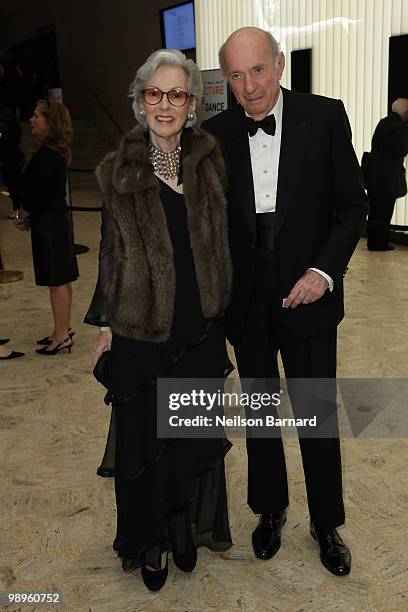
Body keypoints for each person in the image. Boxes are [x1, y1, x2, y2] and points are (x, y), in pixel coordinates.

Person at [202, 27, 368, 576]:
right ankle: (269, 510)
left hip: (309, 291)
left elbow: (351, 207)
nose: (248, 87)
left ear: (278, 63)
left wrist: (324, 272)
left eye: (257, 71)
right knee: (259, 412)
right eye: (235, 75)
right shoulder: (215, 132)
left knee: (317, 414)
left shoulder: (323, 117)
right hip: (247, 299)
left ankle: (326, 522)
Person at [85, 49, 233, 592]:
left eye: (176, 94)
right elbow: (110, 254)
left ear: (192, 104)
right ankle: (151, 544)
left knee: (190, 433)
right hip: (143, 331)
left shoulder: (209, 160)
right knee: (148, 442)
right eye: (154, 94)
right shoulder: (120, 170)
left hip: (199, 326)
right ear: (140, 101)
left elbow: (225, 242)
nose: (164, 105)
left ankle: (183, 528)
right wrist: (105, 325)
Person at [16, 100, 78, 354]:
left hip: (51, 224)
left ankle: (62, 335)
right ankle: (60, 329)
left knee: (57, 280)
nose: (31, 119)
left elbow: (39, 194)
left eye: (36, 116)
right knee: (59, 279)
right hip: (51, 221)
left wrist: (23, 213)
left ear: (49, 122)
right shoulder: (52, 152)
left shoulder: (48, 155)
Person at [363, 98, 408, 250]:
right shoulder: (402, 127)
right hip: (389, 177)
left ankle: (372, 242)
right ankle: (380, 243)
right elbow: (400, 150)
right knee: (385, 211)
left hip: (373, 174)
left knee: (375, 211)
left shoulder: (383, 122)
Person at [0, 101, 25, 218]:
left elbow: (12, 142)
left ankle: (18, 208)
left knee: (15, 184)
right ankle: (18, 207)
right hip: (7, 158)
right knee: (11, 183)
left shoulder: (11, 127)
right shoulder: (9, 126)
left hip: (12, 158)